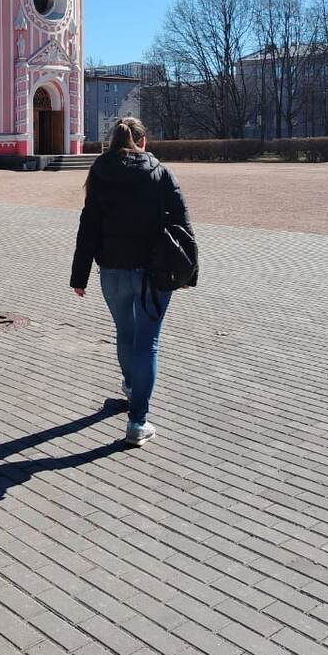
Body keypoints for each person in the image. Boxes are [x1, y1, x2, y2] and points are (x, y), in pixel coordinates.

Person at [70, 118, 197, 447]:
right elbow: (182, 224)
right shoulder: (159, 172)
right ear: (142, 141)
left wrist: (79, 276)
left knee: (125, 335)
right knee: (147, 344)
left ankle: (131, 385)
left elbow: (89, 227)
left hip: (111, 271)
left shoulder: (99, 173)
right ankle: (137, 421)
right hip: (152, 273)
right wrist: (187, 273)